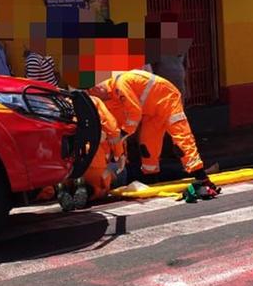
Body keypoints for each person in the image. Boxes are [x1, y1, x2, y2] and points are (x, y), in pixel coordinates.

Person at [90, 69, 218, 197]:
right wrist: (119, 150)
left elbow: (133, 114)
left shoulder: (120, 84)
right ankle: (151, 180)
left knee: (182, 141)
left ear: (98, 87)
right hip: (151, 111)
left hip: (167, 100)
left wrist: (123, 135)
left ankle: (202, 179)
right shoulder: (108, 98)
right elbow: (115, 127)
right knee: (147, 148)